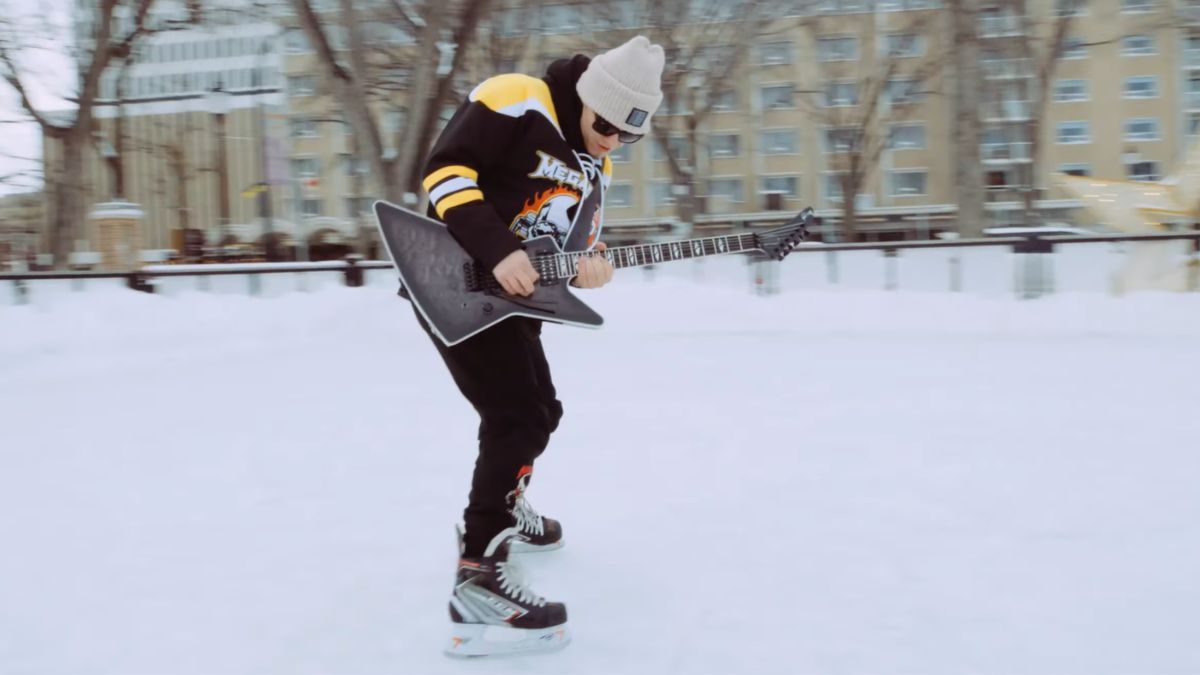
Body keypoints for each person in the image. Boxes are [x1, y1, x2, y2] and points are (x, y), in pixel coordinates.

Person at [412, 35, 665, 656]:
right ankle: (478, 580)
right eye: (606, 125)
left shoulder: (595, 167)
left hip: (514, 304)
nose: (612, 142)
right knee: (516, 416)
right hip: (454, 284)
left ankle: (503, 508)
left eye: (629, 136)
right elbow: (445, 173)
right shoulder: (517, 99)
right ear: (587, 98)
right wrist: (499, 250)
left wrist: (587, 268)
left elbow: (567, 254)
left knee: (541, 412)